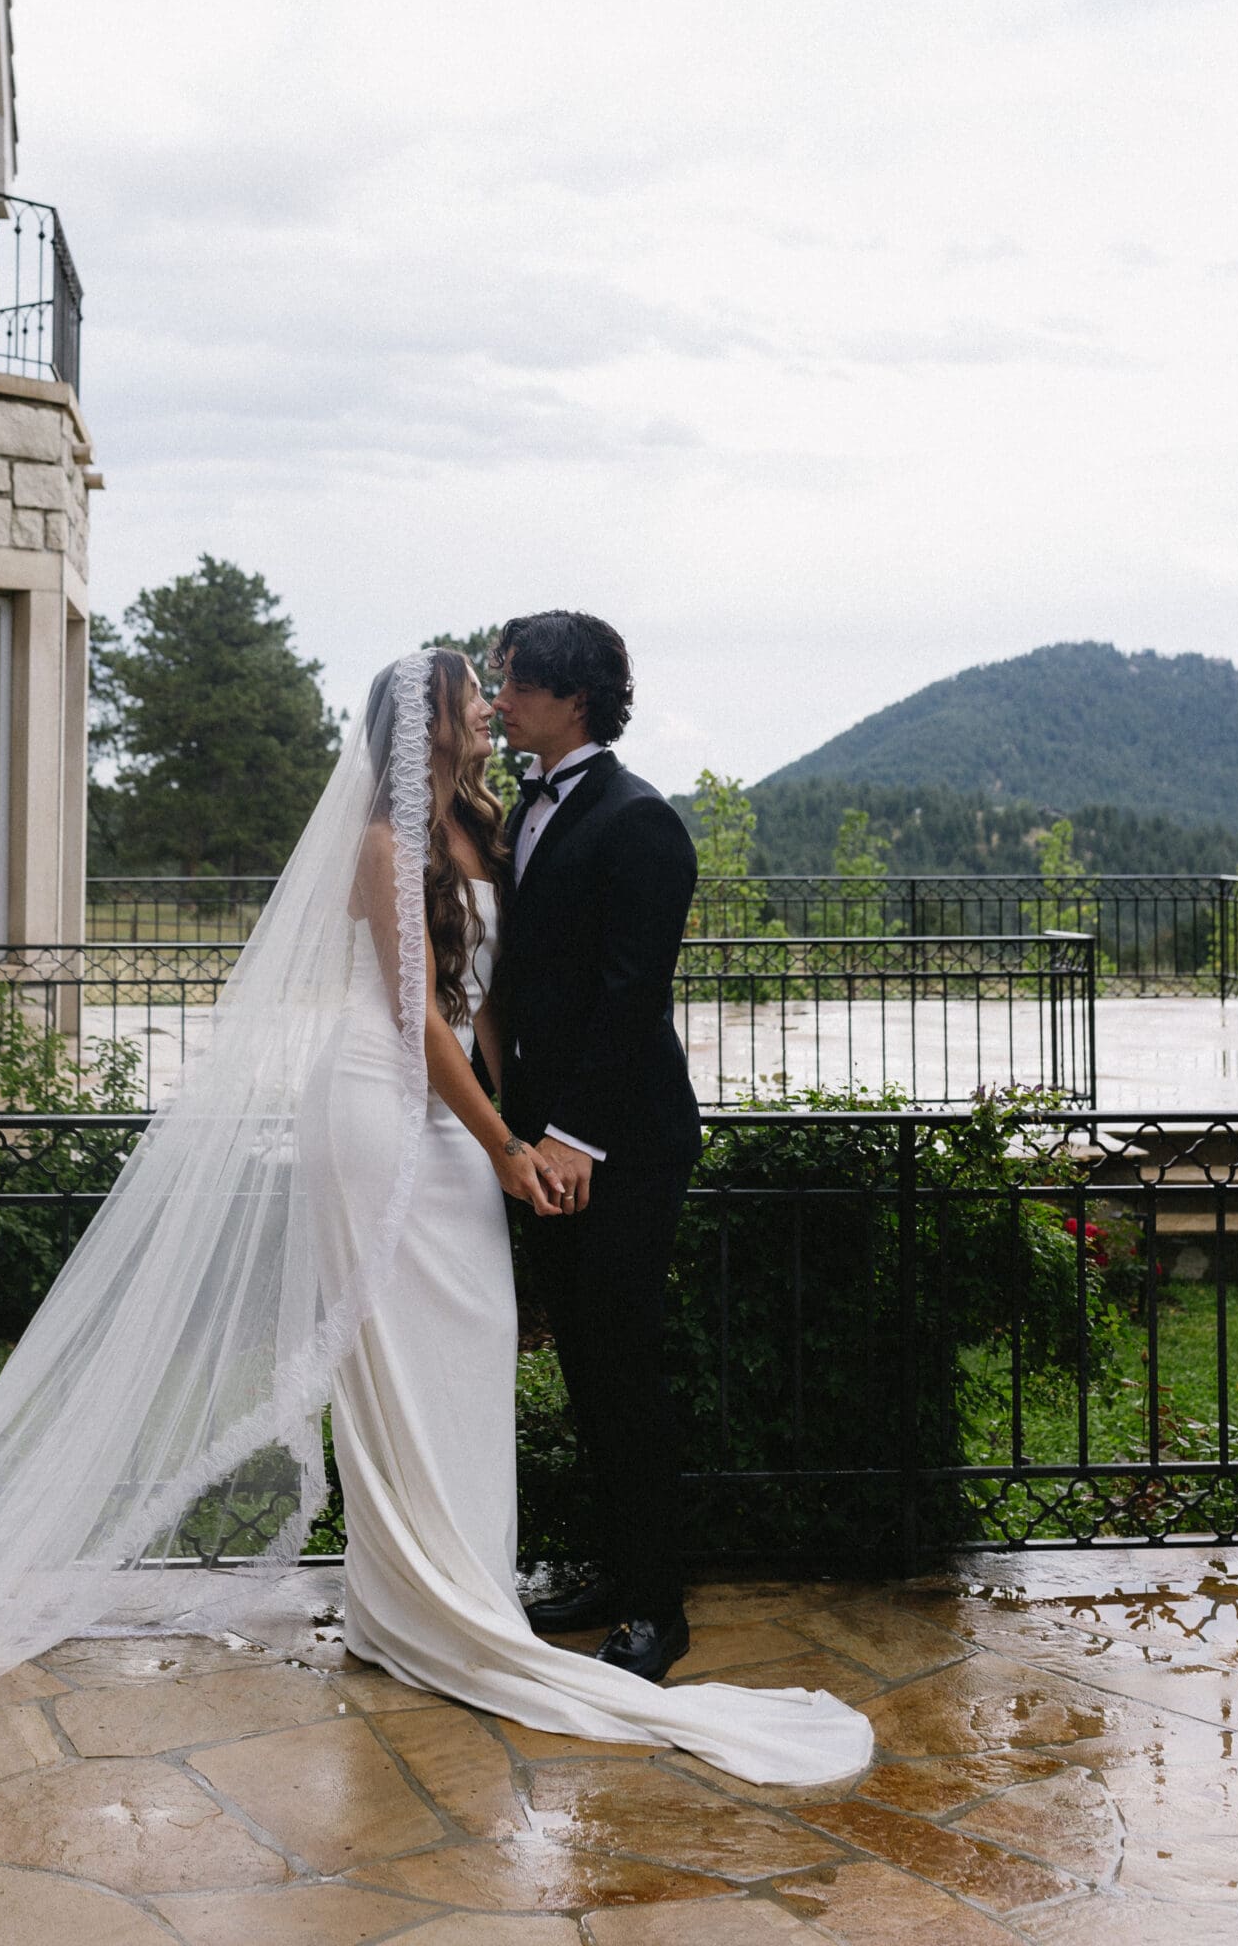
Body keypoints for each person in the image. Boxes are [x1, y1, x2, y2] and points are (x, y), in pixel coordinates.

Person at [0, 649, 869, 1843]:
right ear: (423, 724)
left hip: (468, 1128)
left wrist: (524, 1132)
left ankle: (462, 1582)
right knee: (392, 1354)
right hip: (384, 1113)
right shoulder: (382, 842)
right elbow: (419, 1016)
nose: (489, 709)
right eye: (473, 697)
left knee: (468, 1343)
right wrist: (500, 1146)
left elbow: (500, 1008)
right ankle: (413, 1605)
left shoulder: (485, 824)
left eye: (499, 692)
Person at [491, 611, 701, 1681]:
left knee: (624, 1369)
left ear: (571, 696)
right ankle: (618, 1573)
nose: (497, 699)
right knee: (582, 1365)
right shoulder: (521, 811)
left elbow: (630, 1000)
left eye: (514, 683)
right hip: (547, 1145)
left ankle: (659, 1610)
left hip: (622, 1147)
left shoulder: (641, 822)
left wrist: (570, 1137)